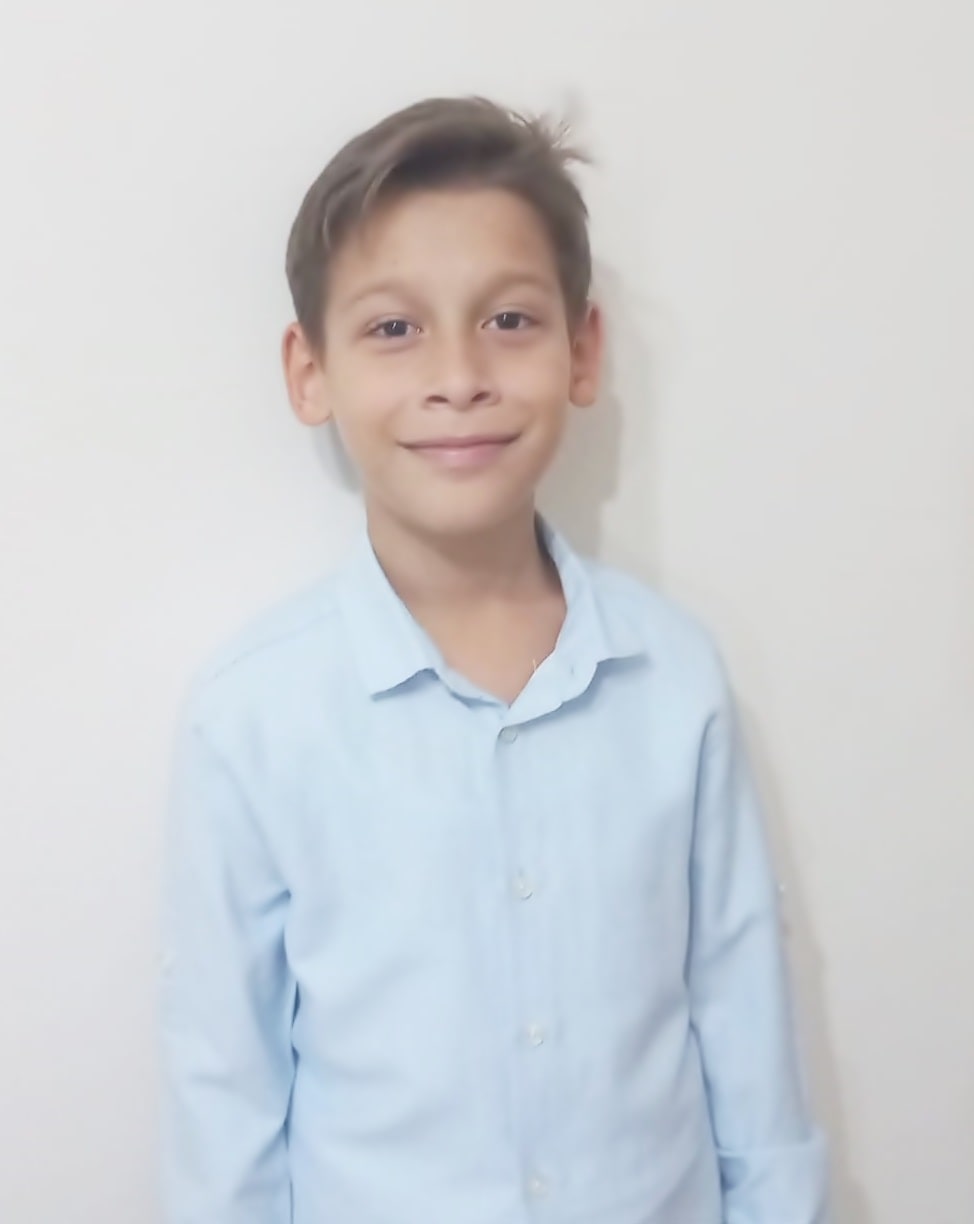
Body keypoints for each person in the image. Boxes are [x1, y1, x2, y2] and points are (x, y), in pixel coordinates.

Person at [160, 96, 829, 1224]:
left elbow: (745, 1025)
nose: (459, 375)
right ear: (309, 371)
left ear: (582, 349)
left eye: (509, 319)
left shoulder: (674, 679)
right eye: (394, 328)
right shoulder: (253, 716)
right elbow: (223, 1102)